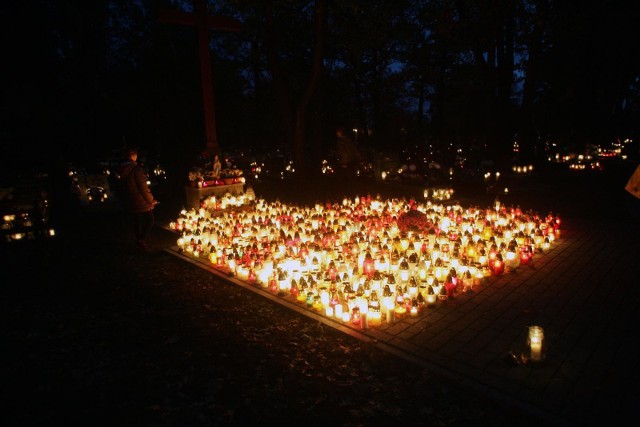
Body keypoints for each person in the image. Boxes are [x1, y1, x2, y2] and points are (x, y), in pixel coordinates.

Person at [117, 148, 158, 251]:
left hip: (129, 199)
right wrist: (151, 200)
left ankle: (139, 241)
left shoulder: (121, 170)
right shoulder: (136, 169)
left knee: (137, 221)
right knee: (150, 220)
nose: (137, 157)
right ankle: (141, 240)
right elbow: (143, 187)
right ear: (132, 156)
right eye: (135, 155)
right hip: (140, 199)